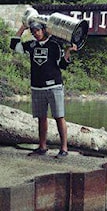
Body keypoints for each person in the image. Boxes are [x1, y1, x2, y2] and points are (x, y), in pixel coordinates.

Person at [10, 22, 77, 158]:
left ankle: (64, 148)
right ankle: (42, 146)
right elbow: (14, 45)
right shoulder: (31, 45)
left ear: (44, 30)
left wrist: (68, 52)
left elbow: (62, 65)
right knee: (41, 118)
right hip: (37, 87)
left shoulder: (54, 45)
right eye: (33, 31)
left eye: (38, 30)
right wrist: (22, 28)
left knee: (59, 117)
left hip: (54, 86)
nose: (36, 33)